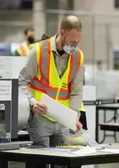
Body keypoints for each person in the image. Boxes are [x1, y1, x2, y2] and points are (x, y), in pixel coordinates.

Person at [19, 15, 84, 168]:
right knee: (39, 162)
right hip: (40, 118)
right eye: (72, 42)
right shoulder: (39, 51)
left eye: (78, 42)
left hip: (62, 120)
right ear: (62, 33)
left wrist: (73, 117)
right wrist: (32, 103)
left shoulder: (78, 57)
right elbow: (22, 81)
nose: (75, 46)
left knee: (62, 162)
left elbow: (76, 91)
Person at [39, 33, 88, 130]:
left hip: (71, 111)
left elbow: (76, 88)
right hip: (67, 111)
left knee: (73, 143)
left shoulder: (69, 61)